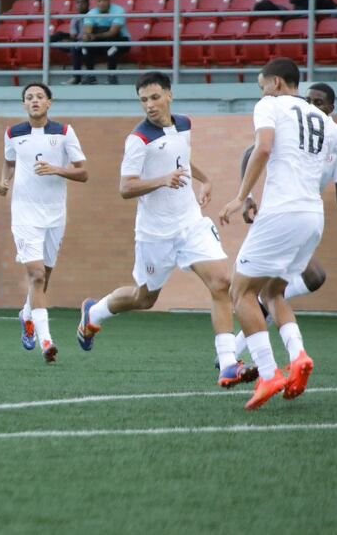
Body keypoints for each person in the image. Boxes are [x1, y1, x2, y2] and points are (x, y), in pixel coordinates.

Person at [217, 57, 337, 410]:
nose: (262, 92)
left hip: (281, 212)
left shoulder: (268, 105)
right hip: (312, 219)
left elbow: (263, 147)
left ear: (274, 84)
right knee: (274, 292)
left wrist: (241, 197)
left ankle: (270, 374)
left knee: (240, 291)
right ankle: (299, 356)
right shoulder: (324, 121)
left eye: (262, 85)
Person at [77, 72, 242, 386]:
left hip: (191, 224)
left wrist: (204, 179)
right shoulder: (138, 140)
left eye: (154, 97)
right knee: (144, 299)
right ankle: (94, 313)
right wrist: (162, 180)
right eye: (143, 100)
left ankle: (228, 363)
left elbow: (181, 157)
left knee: (221, 282)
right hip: (155, 234)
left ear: (169, 95)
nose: (149, 105)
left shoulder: (184, 124)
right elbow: (126, 188)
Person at [230, 82, 337, 365]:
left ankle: (245, 358)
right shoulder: (295, 126)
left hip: (303, 218)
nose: (312, 105)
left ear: (331, 109)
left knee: (292, 285)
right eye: (309, 99)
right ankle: (235, 356)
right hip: (281, 217)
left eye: (319, 102)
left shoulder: (333, 139)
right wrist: (247, 198)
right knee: (264, 291)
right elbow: (251, 152)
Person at [0, 83, 87, 362]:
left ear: (49, 102)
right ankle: (46, 341)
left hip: (54, 215)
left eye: (39, 97)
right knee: (35, 275)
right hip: (24, 215)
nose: (34, 101)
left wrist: (56, 169)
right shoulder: (13, 133)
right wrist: (4, 180)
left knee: (44, 278)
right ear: (24, 104)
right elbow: (9, 162)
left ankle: (26, 315)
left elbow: (83, 172)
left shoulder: (64, 132)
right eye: (28, 97)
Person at [80, 0, 130, 85]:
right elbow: (88, 31)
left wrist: (94, 36)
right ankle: (90, 76)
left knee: (112, 49)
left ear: (109, 1)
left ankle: (112, 77)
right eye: (99, 1)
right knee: (85, 48)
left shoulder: (119, 10)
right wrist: (88, 36)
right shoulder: (91, 13)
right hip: (100, 40)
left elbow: (113, 32)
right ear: (96, 2)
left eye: (104, 0)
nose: (102, 3)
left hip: (120, 40)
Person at [49, 0, 90, 84]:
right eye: (78, 2)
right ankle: (43, 45)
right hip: (78, 40)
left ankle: (76, 77)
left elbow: (86, 34)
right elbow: (73, 35)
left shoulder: (91, 15)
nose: (80, 5)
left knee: (75, 47)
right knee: (58, 36)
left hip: (89, 41)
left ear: (88, 4)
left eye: (83, 2)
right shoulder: (75, 18)